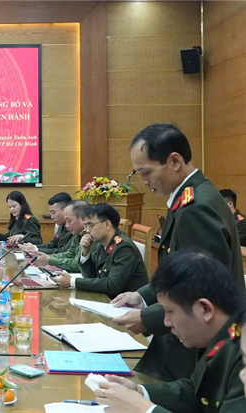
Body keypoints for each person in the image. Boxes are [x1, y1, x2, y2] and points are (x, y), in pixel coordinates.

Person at [113, 123, 245, 381]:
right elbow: (179, 272)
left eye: (146, 172)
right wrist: (141, 296)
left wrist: (148, 317)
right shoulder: (189, 198)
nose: (144, 182)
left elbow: (204, 287)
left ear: (174, 161)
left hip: (194, 347)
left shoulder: (196, 208)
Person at [94, 250, 246, 412]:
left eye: (169, 311)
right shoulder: (222, 333)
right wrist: (139, 392)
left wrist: (145, 409)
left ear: (205, 309)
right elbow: (197, 391)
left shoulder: (241, 349)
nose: (166, 322)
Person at [53, 204, 148, 298]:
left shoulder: (124, 247)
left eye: (90, 225)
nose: (87, 230)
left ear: (107, 225)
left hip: (125, 304)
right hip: (106, 299)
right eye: (86, 225)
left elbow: (112, 285)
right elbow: (90, 276)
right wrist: (85, 252)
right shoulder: (102, 244)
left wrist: (72, 282)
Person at [20, 200, 95, 272]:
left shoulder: (89, 235)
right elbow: (69, 254)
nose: (67, 225)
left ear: (83, 219)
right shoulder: (77, 234)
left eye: (69, 221)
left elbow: (76, 264)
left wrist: (49, 259)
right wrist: (46, 257)